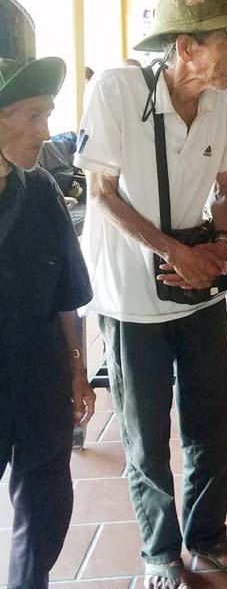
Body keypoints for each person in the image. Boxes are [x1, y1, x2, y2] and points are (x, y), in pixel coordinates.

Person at [74, 0, 227, 589]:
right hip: (132, 300)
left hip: (198, 292)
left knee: (212, 420)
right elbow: (101, 193)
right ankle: (160, 550)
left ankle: (206, 534)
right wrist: (175, 252)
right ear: (185, 47)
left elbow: (226, 186)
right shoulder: (115, 90)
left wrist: (216, 243)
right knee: (146, 432)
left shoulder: (219, 104)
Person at [0, 57, 95, 589]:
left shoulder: (41, 192)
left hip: (39, 370)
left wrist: (77, 372)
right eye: (32, 116)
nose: (45, 131)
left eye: (48, 115)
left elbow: (68, 297)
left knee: (45, 499)